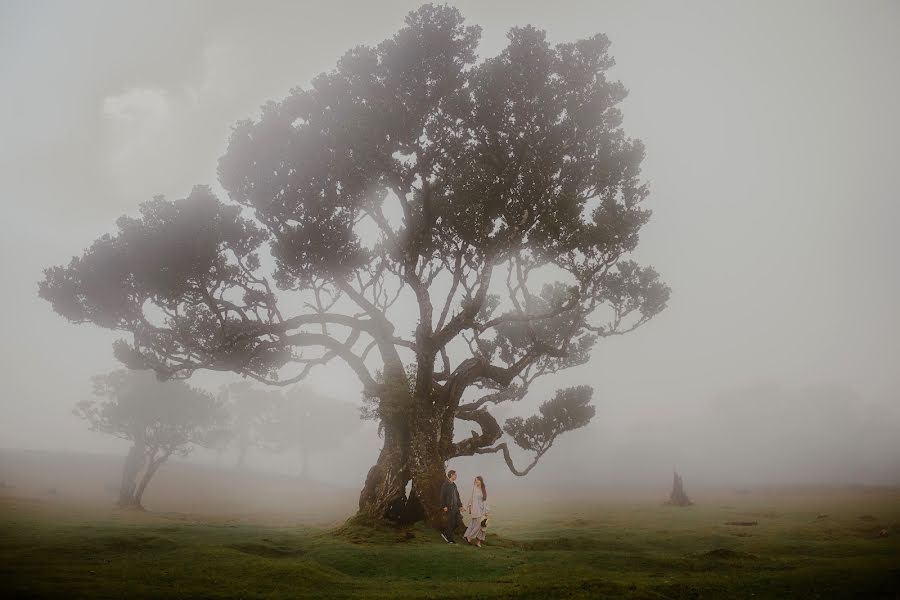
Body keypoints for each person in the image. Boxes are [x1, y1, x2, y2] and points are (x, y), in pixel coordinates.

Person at [464, 475, 489, 547]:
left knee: (481, 526)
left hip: (482, 510)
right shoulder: (474, 489)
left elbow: (485, 500)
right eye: (475, 480)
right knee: (478, 525)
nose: (476, 481)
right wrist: (466, 507)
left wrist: (486, 511)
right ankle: (470, 536)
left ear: (481, 481)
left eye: (477, 480)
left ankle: (478, 542)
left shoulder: (483, 489)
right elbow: (471, 499)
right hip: (475, 509)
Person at [440, 469, 462, 544]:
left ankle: (446, 533)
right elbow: (442, 496)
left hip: (456, 507)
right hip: (450, 507)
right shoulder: (445, 485)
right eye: (455, 475)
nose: (456, 476)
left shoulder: (454, 485)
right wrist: (444, 506)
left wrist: (460, 505)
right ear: (451, 475)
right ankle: (450, 539)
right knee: (451, 523)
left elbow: (457, 496)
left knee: (457, 522)